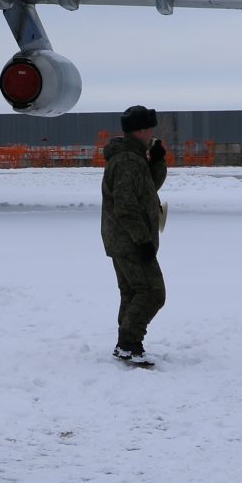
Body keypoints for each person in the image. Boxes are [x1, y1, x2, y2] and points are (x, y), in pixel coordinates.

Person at [100, 104, 167, 364]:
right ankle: (128, 343)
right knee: (152, 292)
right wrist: (142, 240)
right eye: (150, 128)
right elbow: (126, 206)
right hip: (129, 240)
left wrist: (157, 161)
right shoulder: (127, 160)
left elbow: (148, 189)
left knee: (133, 293)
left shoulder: (135, 157)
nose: (152, 133)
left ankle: (126, 345)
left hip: (124, 239)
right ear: (140, 130)